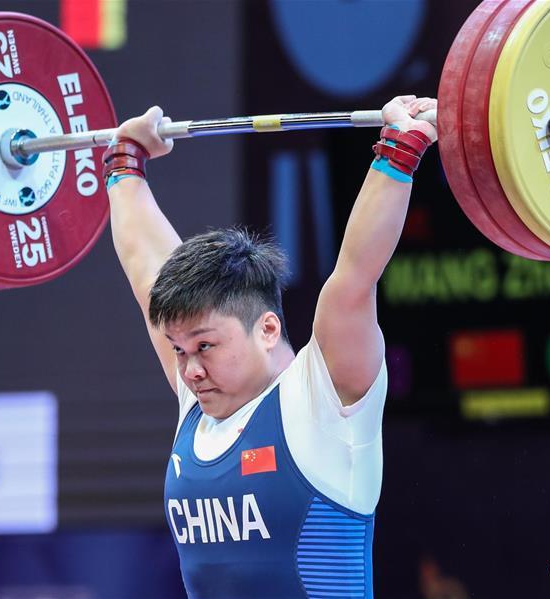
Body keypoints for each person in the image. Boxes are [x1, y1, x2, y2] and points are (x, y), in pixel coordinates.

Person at [104, 95, 437, 599]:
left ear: (266, 329)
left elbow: (355, 276)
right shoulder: (197, 399)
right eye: (178, 350)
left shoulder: (325, 398)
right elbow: (143, 263)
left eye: (205, 347)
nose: (189, 370)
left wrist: (399, 148)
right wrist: (125, 160)